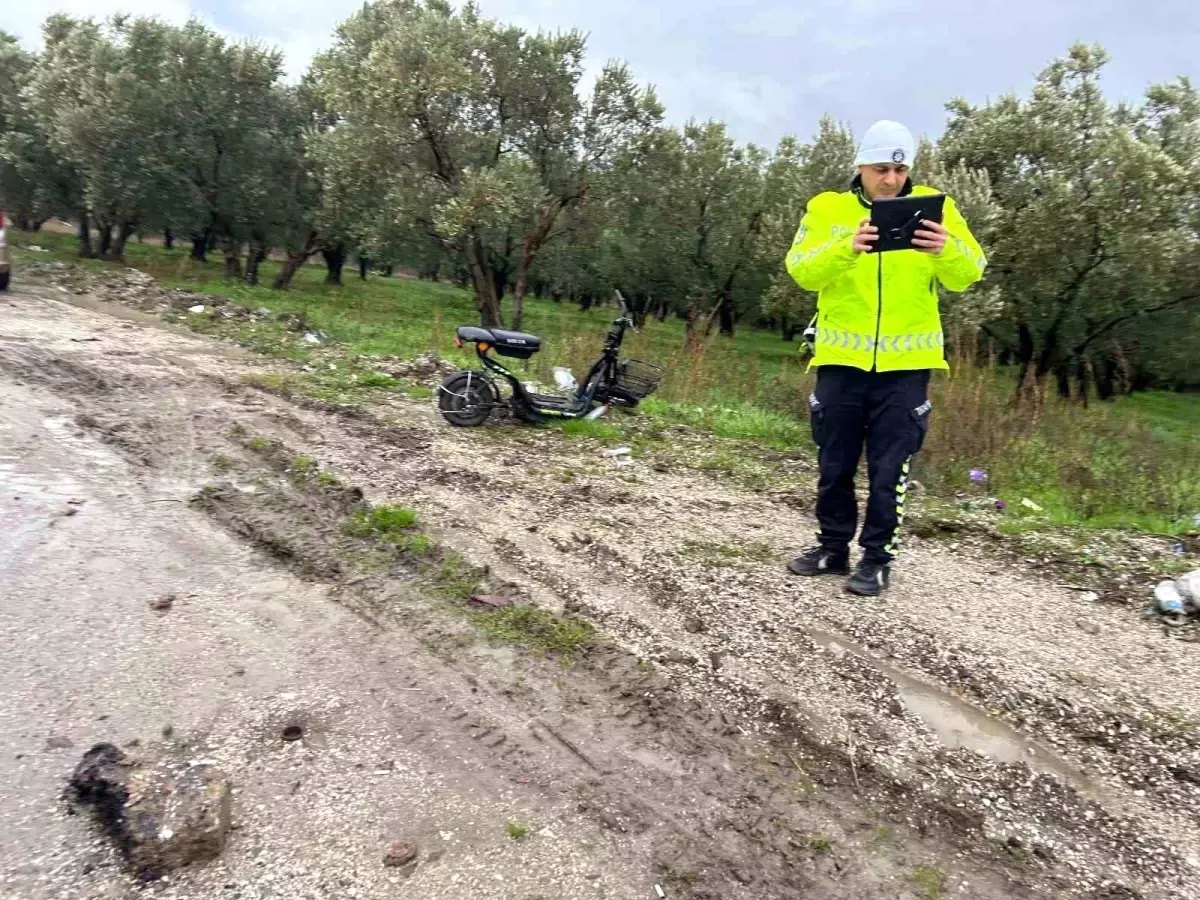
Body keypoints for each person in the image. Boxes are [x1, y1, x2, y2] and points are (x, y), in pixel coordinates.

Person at [783, 120, 986, 596]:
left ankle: (876, 559)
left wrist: (945, 250)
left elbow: (970, 271)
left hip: (906, 368)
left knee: (889, 470)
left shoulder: (938, 208)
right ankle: (832, 547)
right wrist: (846, 248)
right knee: (834, 464)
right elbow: (800, 269)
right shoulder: (827, 209)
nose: (891, 179)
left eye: (899, 168)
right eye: (880, 169)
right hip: (840, 361)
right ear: (860, 166)